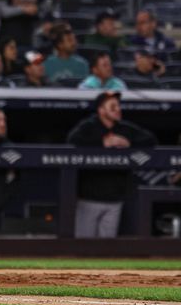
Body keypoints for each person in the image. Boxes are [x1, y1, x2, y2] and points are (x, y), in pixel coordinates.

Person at [67, 91, 156, 238]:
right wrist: (101, 143)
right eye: (113, 106)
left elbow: (151, 140)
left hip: (115, 198)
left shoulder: (125, 128)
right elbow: (72, 142)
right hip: (89, 197)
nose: (118, 109)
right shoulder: (89, 126)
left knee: (108, 248)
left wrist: (129, 143)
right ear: (101, 110)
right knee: (83, 244)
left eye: (118, 106)